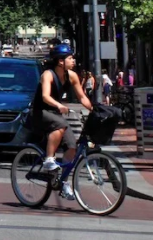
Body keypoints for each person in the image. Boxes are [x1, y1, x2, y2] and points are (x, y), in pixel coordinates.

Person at [31, 44, 93, 201]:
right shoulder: (48, 75)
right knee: (60, 125)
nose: (73, 60)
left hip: (55, 113)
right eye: (70, 58)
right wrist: (59, 105)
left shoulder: (71, 75)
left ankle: (63, 182)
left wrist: (93, 109)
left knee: (72, 146)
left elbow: (82, 97)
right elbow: (45, 96)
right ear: (60, 61)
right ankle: (49, 160)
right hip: (40, 112)